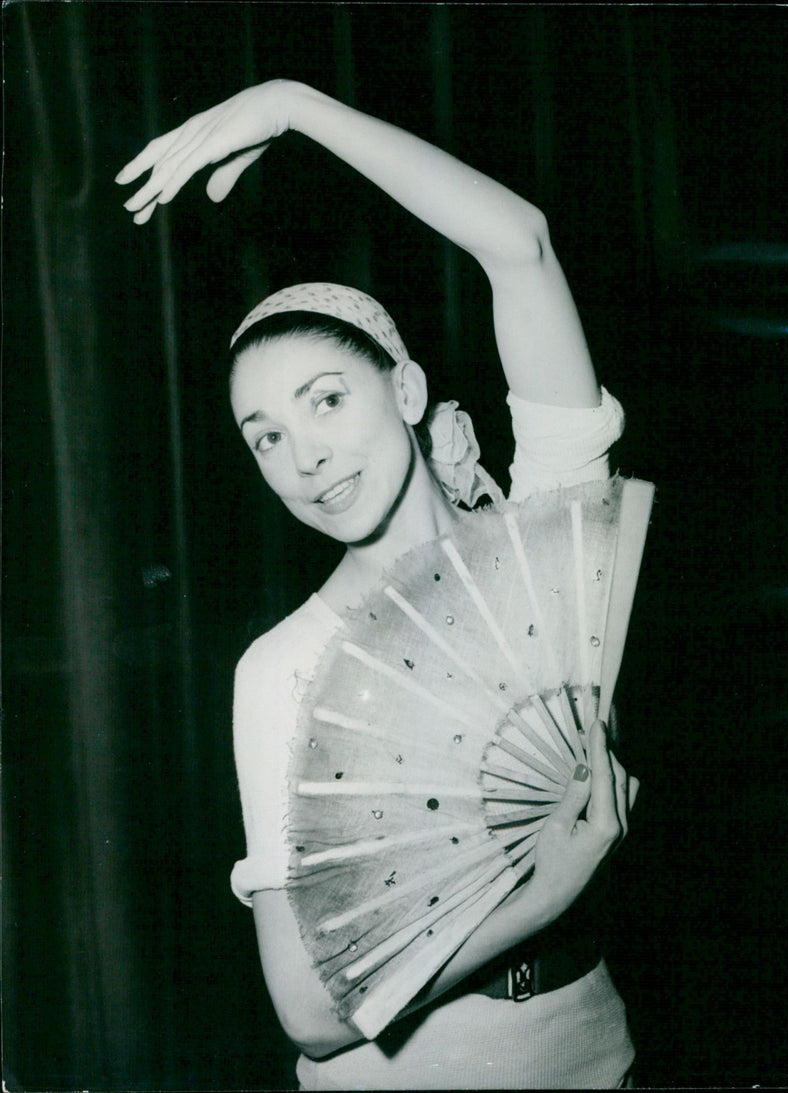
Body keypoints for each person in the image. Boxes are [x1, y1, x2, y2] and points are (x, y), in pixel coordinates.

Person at [117, 79, 640, 1090]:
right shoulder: (282, 667)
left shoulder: (538, 541)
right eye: (264, 435)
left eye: (324, 400)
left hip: (595, 1052)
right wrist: (551, 888)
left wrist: (293, 107)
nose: (301, 455)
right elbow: (309, 1012)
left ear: (404, 390)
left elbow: (518, 246)